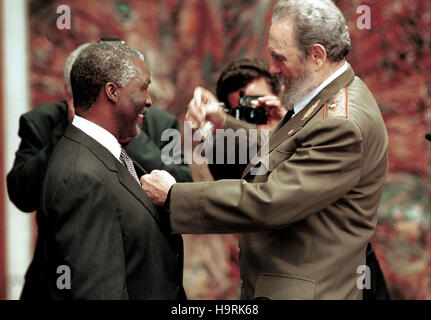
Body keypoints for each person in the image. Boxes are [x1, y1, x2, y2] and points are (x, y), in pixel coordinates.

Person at [141, 0, 389, 300]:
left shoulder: (342, 123)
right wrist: (224, 123)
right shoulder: (328, 94)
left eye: (278, 57)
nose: (272, 68)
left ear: (317, 56)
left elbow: (271, 202)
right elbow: (288, 151)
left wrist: (173, 197)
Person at [19, 41, 186, 299]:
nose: (150, 101)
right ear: (112, 91)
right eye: (144, 88)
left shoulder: (104, 152)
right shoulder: (81, 177)